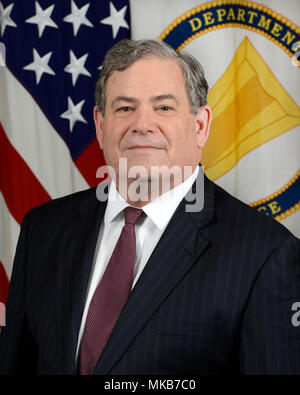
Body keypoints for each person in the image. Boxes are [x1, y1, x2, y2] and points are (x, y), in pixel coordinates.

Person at [0, 39, 299, 375]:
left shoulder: (266, 252)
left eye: (164, 108)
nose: (142, 124)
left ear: (200, 126)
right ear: (100, 125)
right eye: (125, 108)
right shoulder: (43, 229)